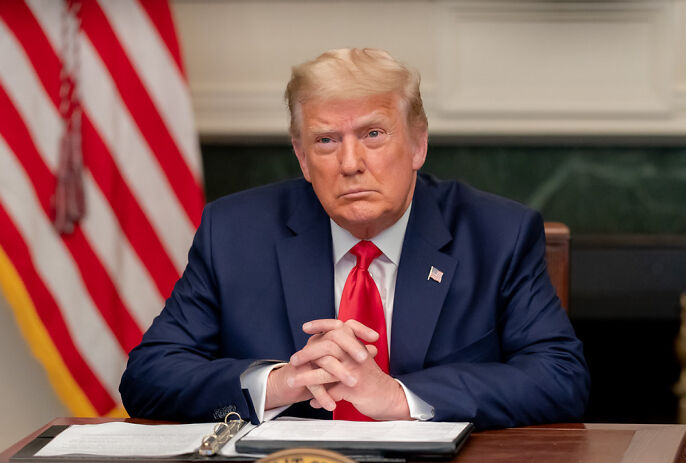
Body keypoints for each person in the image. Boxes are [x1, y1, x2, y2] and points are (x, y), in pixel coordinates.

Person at [120, 48, 589, 429]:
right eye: (326, 141)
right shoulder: (236, 232)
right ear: (302, 158)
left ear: (418, 144)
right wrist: (278, 384)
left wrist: (399, 396)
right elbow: (149, 376)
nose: (350, 162)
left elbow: (560, 378)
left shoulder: (496, 234)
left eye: (374, 134)